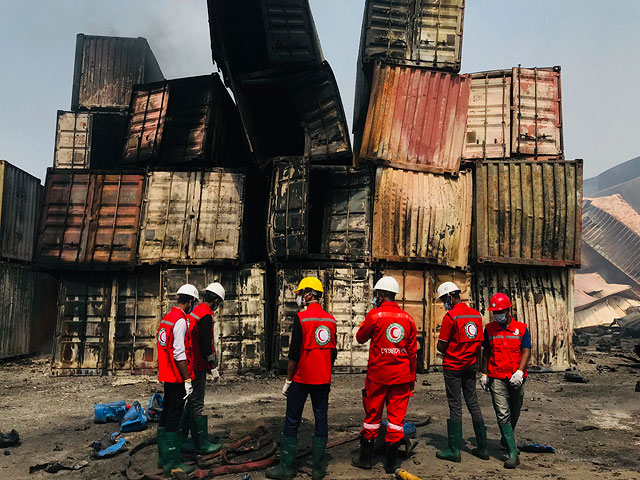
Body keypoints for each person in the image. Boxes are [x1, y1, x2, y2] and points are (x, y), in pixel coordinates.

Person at [266, 277, 337, 480]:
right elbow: (333, 353)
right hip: (323, 379)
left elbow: (294, 354)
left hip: (302, 378)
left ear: (309, 294)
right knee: (321, 418)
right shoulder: (331, 321)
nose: (299, 297)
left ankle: (286, 469)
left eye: (301, 293)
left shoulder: (302, 319)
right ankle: (317, 469)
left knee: (292, 419)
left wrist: (288, 380)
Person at [352, 276, 417, 474]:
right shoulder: (408, 319)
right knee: (397, 421)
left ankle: (366, 459)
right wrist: (412, 378)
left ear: (380, 295)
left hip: (378, 376)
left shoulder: (374, 315)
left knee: (372, 417)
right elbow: (413, 353)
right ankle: (391, 464)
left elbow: (360, 338)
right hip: (402, 377)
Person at [434, 281, 488, 463]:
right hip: (470, 366)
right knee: (473, 402)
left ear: (450, 296)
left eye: (444, 299)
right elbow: (479, 345)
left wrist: (446, 347)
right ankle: (482, 448)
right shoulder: (476, 316)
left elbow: (441, 345)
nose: (444, 303)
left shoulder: (451, 317)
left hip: (453, 367)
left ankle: (454, 450)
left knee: (455, 405)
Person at [480, 292, 531, 469]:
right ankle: (512, 453)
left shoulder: (522, 328)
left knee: (514, 411)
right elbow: (486, 352)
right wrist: (484, 374)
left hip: (517, 377)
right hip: (497, 376)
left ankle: (505, 439)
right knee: (502, 413)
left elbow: (526, 351)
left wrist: (519, 371)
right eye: (495, 312)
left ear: (508, 310)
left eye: (500, 311)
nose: (497, 315)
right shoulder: (489, 329)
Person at [156, 284, 199, 475]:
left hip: (167, 374)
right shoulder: (180, 321)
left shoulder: (167, 318)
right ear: (189, 302)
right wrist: (187, 380)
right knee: (174, 414)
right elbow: (180, 353)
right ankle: (172, 464)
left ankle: (162, 457)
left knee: (166, 413)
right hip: (177, 376)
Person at [181, 282, 226, 454]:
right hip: (198, 365)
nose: (218, 306)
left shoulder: (195, 312)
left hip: (191, 361)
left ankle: (182, 438)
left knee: (190, 402)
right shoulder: (205, 315)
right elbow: (206, 344)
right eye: (219, 303)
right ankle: (201, 443)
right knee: (197, 403)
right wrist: (213, 367)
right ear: (215, 300)